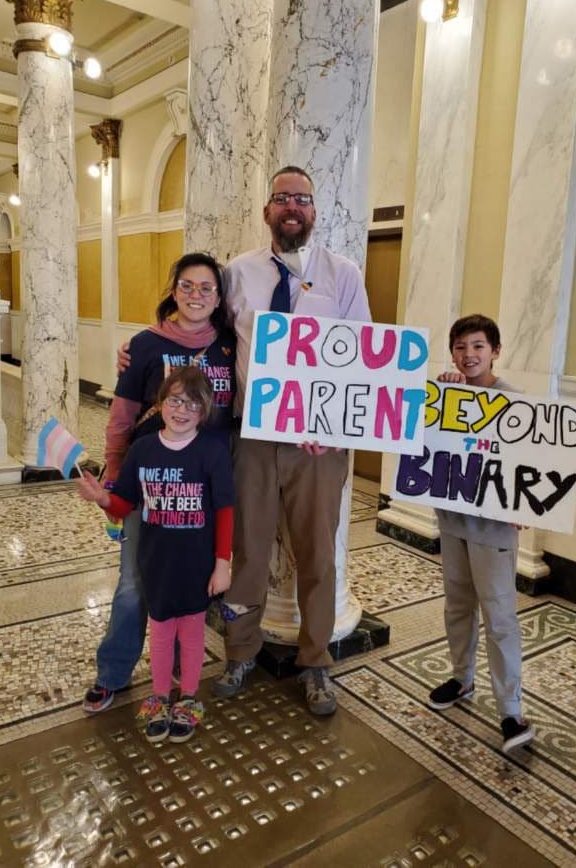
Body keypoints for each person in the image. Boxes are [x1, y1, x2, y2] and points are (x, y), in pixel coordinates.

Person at [215, 165, 371, 715]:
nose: (292, 207)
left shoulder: (343, 274)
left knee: (317, 555)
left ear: (314, 211)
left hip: (319, 447)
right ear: (267, 211)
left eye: (302, 199)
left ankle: (316, 664)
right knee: (249, 550)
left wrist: (330, 428)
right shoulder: (237, 274)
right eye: (282, 197)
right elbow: (210, 344)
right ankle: (239, 652)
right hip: (252, 438)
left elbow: (361, 359)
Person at [83, 252, 236, 713]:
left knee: (188, 581)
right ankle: (112, 672)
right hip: (150, 479)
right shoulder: (145, 345)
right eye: (187, 286)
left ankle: (172, 668)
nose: (195, 295)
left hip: (205, 488)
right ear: (173, 291)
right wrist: (113, 470)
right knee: (134, 582)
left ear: (218, 297)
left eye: (206, 287)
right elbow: (122, 416)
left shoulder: (231, 345)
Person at [77, 366, 234, 743]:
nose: (182, 411)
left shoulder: (212, 450)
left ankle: (190, 697)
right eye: (176, 400)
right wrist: (102, 499)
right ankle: (161, 696)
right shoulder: (143, 449)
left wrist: (223, 563)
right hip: (155, 562)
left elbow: (225, 509)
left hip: (196, 563)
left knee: (192, 635)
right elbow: (125, 502)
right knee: (160, 633)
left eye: (193, 404)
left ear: (205, 410)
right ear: (161, 403)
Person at [427, 314, 535, 754]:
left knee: (500, 616)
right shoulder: (445, 394)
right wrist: (444, 393)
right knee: (458, 605)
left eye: (477, 346)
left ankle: (511, 709)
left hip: (494, 527)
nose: (468, 355)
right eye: (460, 347)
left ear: (495, 350)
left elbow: (531, 461)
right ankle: (462, 678)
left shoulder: (514, 403)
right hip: (452, 520)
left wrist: (525, 505)